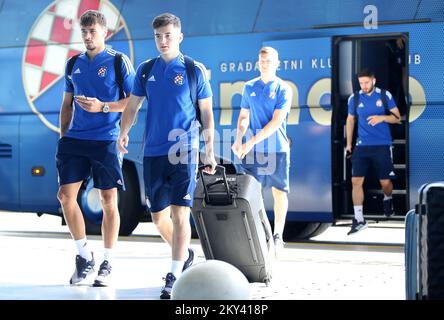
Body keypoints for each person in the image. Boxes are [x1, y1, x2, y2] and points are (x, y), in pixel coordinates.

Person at [117, 13, 216, 299]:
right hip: (153, 152)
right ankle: (184, 255)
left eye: (168, 36)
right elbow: (132, 106)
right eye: (158, 36)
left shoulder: (193, 70)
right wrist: (123, 133)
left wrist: (208, 150)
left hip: (184, 150)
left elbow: (207, 112)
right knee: (159, 217)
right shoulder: (146, 70)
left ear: (179, 37)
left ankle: (174, 274)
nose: (162, 41)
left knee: (179, 213)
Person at [56, 10, 135, 286]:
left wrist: (104, 107)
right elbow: (66, 104)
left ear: (104, 32)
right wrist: (64, 136)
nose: (88, 37)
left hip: (106, 140)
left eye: (93, 32)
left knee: (108, 201)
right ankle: (84, 257)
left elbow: (133, 101)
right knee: (66, 197)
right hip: (75, 140)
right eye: (84, 33)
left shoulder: (117, 62)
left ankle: (107, 262)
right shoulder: (73, 64)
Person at [231, 46, 292, 256]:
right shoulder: (249, 87)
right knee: (252, 193)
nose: (264, 64)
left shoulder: (283, 89)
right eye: (261, 60)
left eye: (268, 61)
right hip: (254, 151)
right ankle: (260, 233)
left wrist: (250, 143)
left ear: (277, 63)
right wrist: (240, 139)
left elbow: (275, 123)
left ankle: (278, 236)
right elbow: (243, 116)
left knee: (279, 192)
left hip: (277, 149)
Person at [345, 69, 401, 235]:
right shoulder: (354, 98)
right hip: (361, 146)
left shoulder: (384, 95)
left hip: (382, 145)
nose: (364, 86)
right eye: (361, 83)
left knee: (385, 182)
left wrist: (382, 118)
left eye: (366, 82)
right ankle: (359, 219)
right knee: (356, 181)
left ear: (373, 80)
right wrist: (349, 144)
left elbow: (397, 118)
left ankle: (387, 199)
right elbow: (350, 120)